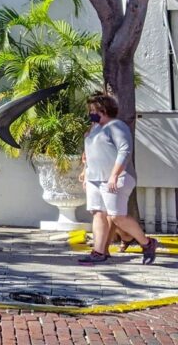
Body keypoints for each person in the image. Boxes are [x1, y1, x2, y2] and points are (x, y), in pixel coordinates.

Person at [77, 92, 157, 265]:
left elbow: (124, 151)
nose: (90, 113)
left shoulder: (117, 126)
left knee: (116, 216)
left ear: (103, 110)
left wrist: (114, 175)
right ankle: (98, 252)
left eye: (93, 110)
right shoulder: (94, 129)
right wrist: (85, 171)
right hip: (95, 178)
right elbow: (89, 155)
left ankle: (147, 243)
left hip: (115, 178)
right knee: (98, 213)